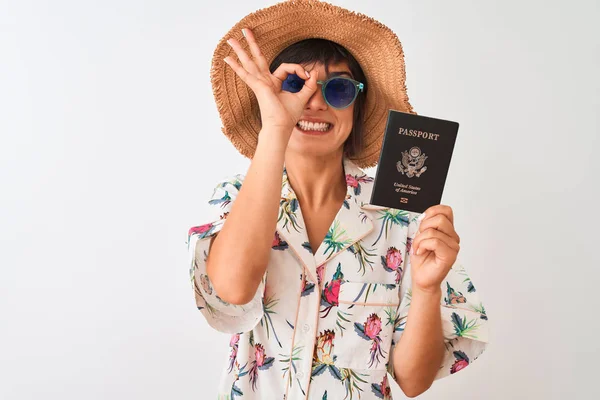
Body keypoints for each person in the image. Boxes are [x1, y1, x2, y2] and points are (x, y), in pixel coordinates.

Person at [186, 1, 489, 399]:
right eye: (294, 85)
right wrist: (277, 126)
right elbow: (232, 292)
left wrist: (428, 289)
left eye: (339, 88)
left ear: (358, 106)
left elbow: (413, 381)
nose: (314, 102)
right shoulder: (234, 197)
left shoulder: (400, 220)